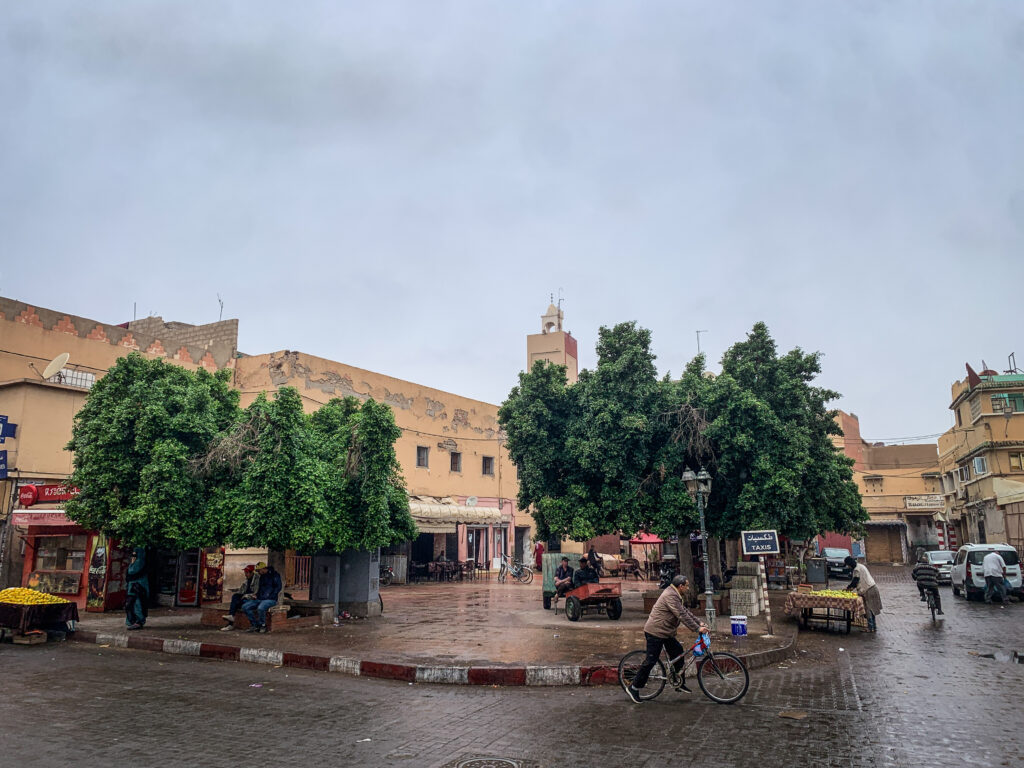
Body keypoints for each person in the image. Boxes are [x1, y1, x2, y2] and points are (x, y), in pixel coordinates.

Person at [625, 575, 707, 704]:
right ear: (681, 586)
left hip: (666, 632)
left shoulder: (675, 594)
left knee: (678, 652)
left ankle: (678, 682)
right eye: (687, 585)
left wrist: (699, 623)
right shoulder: (670, 595)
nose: (688, 588)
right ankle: (634, 687)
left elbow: (685, 611)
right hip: (655, 632)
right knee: (651, 660)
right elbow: (680, 615)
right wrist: (697, 629)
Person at [242, 561, 282, 633]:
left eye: (259, 570)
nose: (258, 572)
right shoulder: (262, 577)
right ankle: (254, 625)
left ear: (264, 569)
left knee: (261, 608)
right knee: (245, 606)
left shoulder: (274, 575)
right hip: (260, 598)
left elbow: (278, 587)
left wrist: (271, 596)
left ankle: (262, 625)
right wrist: (256, 595)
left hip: (271, 599)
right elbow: (260, 588)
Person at [844, 556, 882, 632]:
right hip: (873, 587)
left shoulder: (856, 570)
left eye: (847, 565)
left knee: (868, 609)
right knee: (872, 608)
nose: (848, 566)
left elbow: (855, 581)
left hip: (867, 590)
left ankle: (870, 627)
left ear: (850, 564)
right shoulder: (861, 566)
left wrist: (848, 588)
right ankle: (873, 627)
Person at [221, 564, 259, 631]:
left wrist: (246, 596)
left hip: (250, 599)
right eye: (245, 573)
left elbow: (255, 593)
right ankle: (231, 619)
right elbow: (241, 591)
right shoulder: (247, 580)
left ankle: (231, 624)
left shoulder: (256, 580)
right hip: (244, 597)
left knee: (238, 604)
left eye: (247, 573)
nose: (245, 574)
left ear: (251, 573)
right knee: (235, 597)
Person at [124, 548, 149, 631]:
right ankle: (133, 621)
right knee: (131, 604)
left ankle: (138, 621)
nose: (133, 556)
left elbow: (132, 571)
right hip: (134, 587)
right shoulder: (138, 561)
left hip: (138, 588)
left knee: (137, 604)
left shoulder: (140, 562)